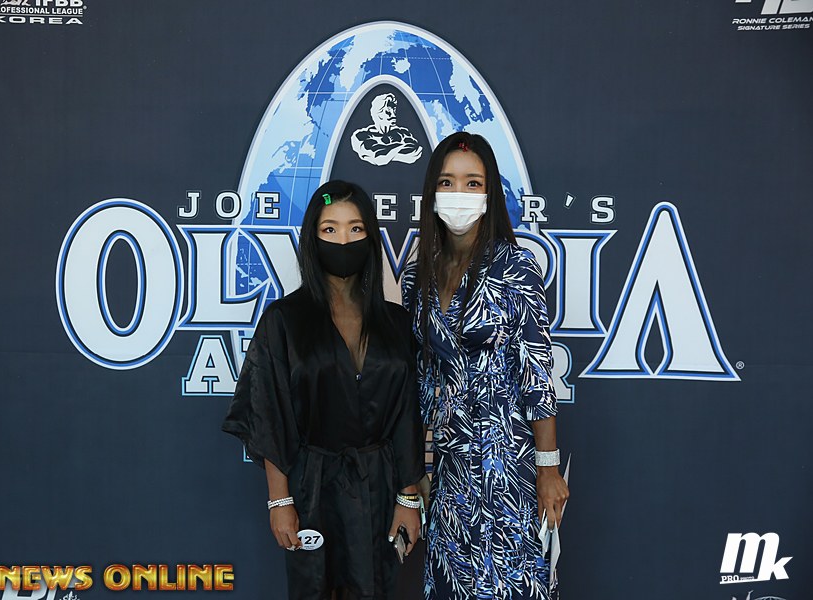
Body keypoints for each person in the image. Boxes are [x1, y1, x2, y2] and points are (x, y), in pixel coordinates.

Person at [222, 180, 425, 600]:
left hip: (378, 488)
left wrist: (408, 498)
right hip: (312, 489)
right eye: (330, 229)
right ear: (312, 239)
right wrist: (279, 502)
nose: (343, 240)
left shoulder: (395, 323)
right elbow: (269, 412)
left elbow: (408, 414)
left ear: (370, 237)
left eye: (355, 228)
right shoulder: (284, 320)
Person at [401, 132, 570, 599]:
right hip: (448, 468)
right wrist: (417, 473)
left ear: (490, 192)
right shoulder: (417, 274)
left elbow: (537, 373)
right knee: (453, 581)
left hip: (508, 463)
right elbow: (419, 382)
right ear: (432, 191)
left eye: (473, 183)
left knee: (511, 583)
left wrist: (548, 469)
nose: (459, 193)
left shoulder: (515, 267)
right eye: (447, 182)